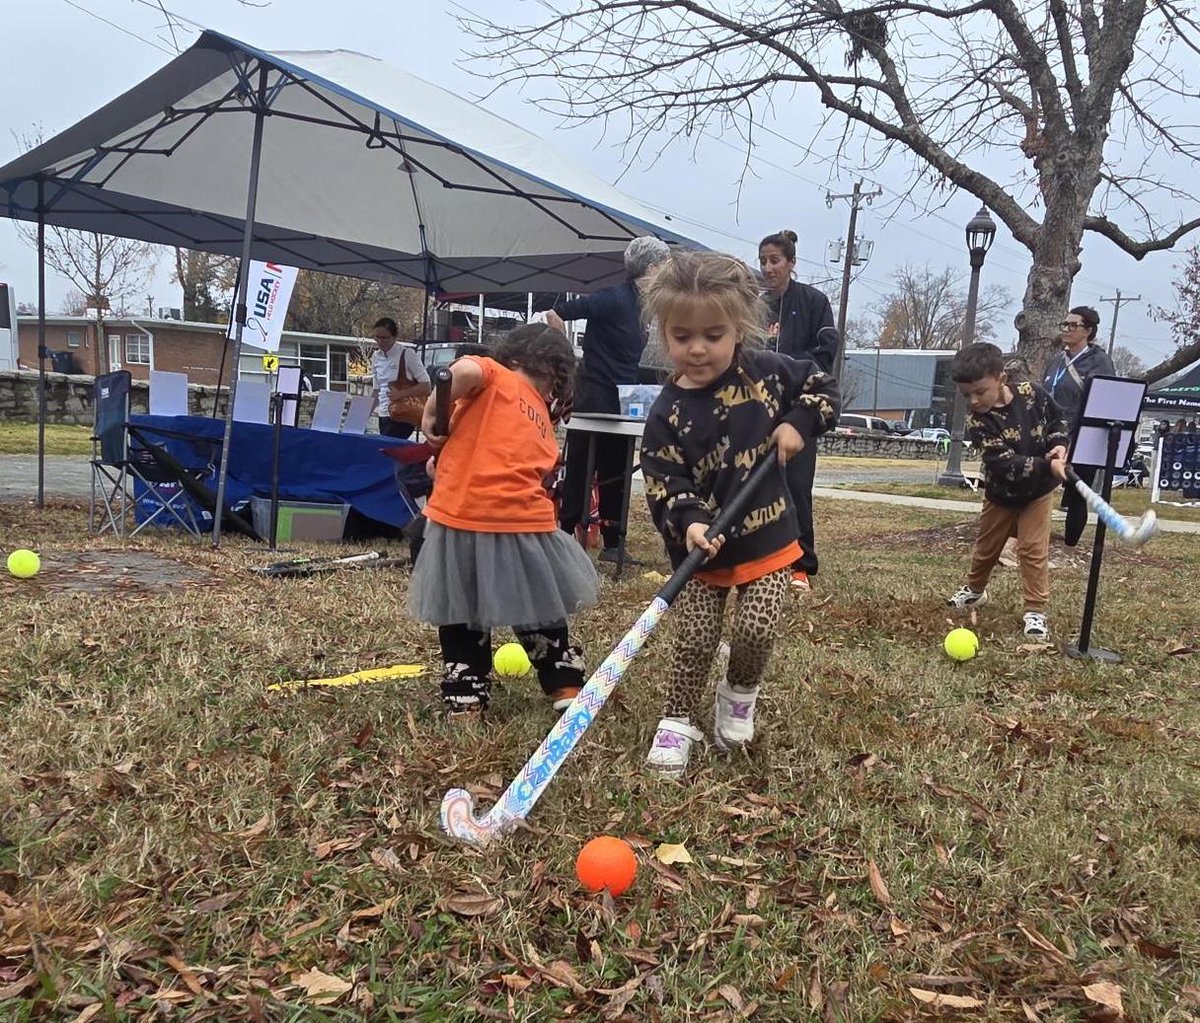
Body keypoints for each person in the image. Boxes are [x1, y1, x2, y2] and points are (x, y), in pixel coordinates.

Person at [637, 251, 840, 776]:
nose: (698, 348)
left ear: (739, 329)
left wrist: (798, 421)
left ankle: (739, 696)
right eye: (682, 337)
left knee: (757, 628)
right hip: (703, 551)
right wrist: (692, 521)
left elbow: (822, 387)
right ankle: (677, 721)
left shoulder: (767, 373)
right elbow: (665, 482)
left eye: (713, 334)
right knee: (697, 638)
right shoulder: (666, 413)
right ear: (664, 333)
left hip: (769, 537)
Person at [407, 323, 599, 715]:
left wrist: (443, 464)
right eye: (553, 382)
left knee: (460, 607)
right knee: (537, 605)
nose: (549, 393)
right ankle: (563, 684)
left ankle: (467, 692)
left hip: (465, 519)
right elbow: (460, 373)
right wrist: (432, 410)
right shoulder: (498, 375)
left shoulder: (530, 408)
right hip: (516, 524)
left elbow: (486, 451)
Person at [546, 236, 672, 563]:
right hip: (594, 395)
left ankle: (613, 542)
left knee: (615, 467)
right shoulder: (613, 298)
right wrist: (569, 362)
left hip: (622, 400)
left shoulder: (643, 307)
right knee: (581, 469)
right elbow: (555, 313)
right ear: (651, 267)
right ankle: (566, 533)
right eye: (666, 266)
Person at [949, 342, 1069, 640]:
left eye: (980, 391)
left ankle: (1035, 610)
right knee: (987, 549)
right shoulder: (977, 422)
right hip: (1000, 494)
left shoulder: (1033, 394)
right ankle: (976, 590)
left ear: (1002, 379)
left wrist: (1058, 445)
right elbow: (1004, 464)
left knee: (1032, 549)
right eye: (967, 396)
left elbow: (1058, 420)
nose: (974, 400)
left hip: (1038, 493)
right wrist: (1046, 464)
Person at [758, 228, 841, 590]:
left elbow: (824, 355)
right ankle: (759, 557)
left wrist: (784, 365)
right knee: (755, 486)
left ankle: (800, 565)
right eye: (763, 261)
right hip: (758, 410)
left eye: (775, 260)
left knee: (795, 488)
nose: (768, 268)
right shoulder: (756, 305)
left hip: (800, 411)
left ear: (791, 263)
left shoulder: (813, 301)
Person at [1041, 306, 1114, 546]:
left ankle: (1070, 543)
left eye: (1074, 325)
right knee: (1037, 487)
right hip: (1050, 434)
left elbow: (1103, 402)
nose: (1067, 329)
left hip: (1082, 436)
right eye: (1065, 324)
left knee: (1076, 492)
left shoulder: (1099, 362)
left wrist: (1072, 439)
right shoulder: (1055, 361)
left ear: (1088, 330)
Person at [370, 316, 430, 439]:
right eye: (377, 338)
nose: (381, 342)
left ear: (394, 337)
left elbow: (426, 385)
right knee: (386, 450)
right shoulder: (376, 357)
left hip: (404, 413)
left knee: (387, 447)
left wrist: (401, 394)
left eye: (385, 338)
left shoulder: (407, 354)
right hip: (384, 413)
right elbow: (376, 390)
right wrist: (365, 412)